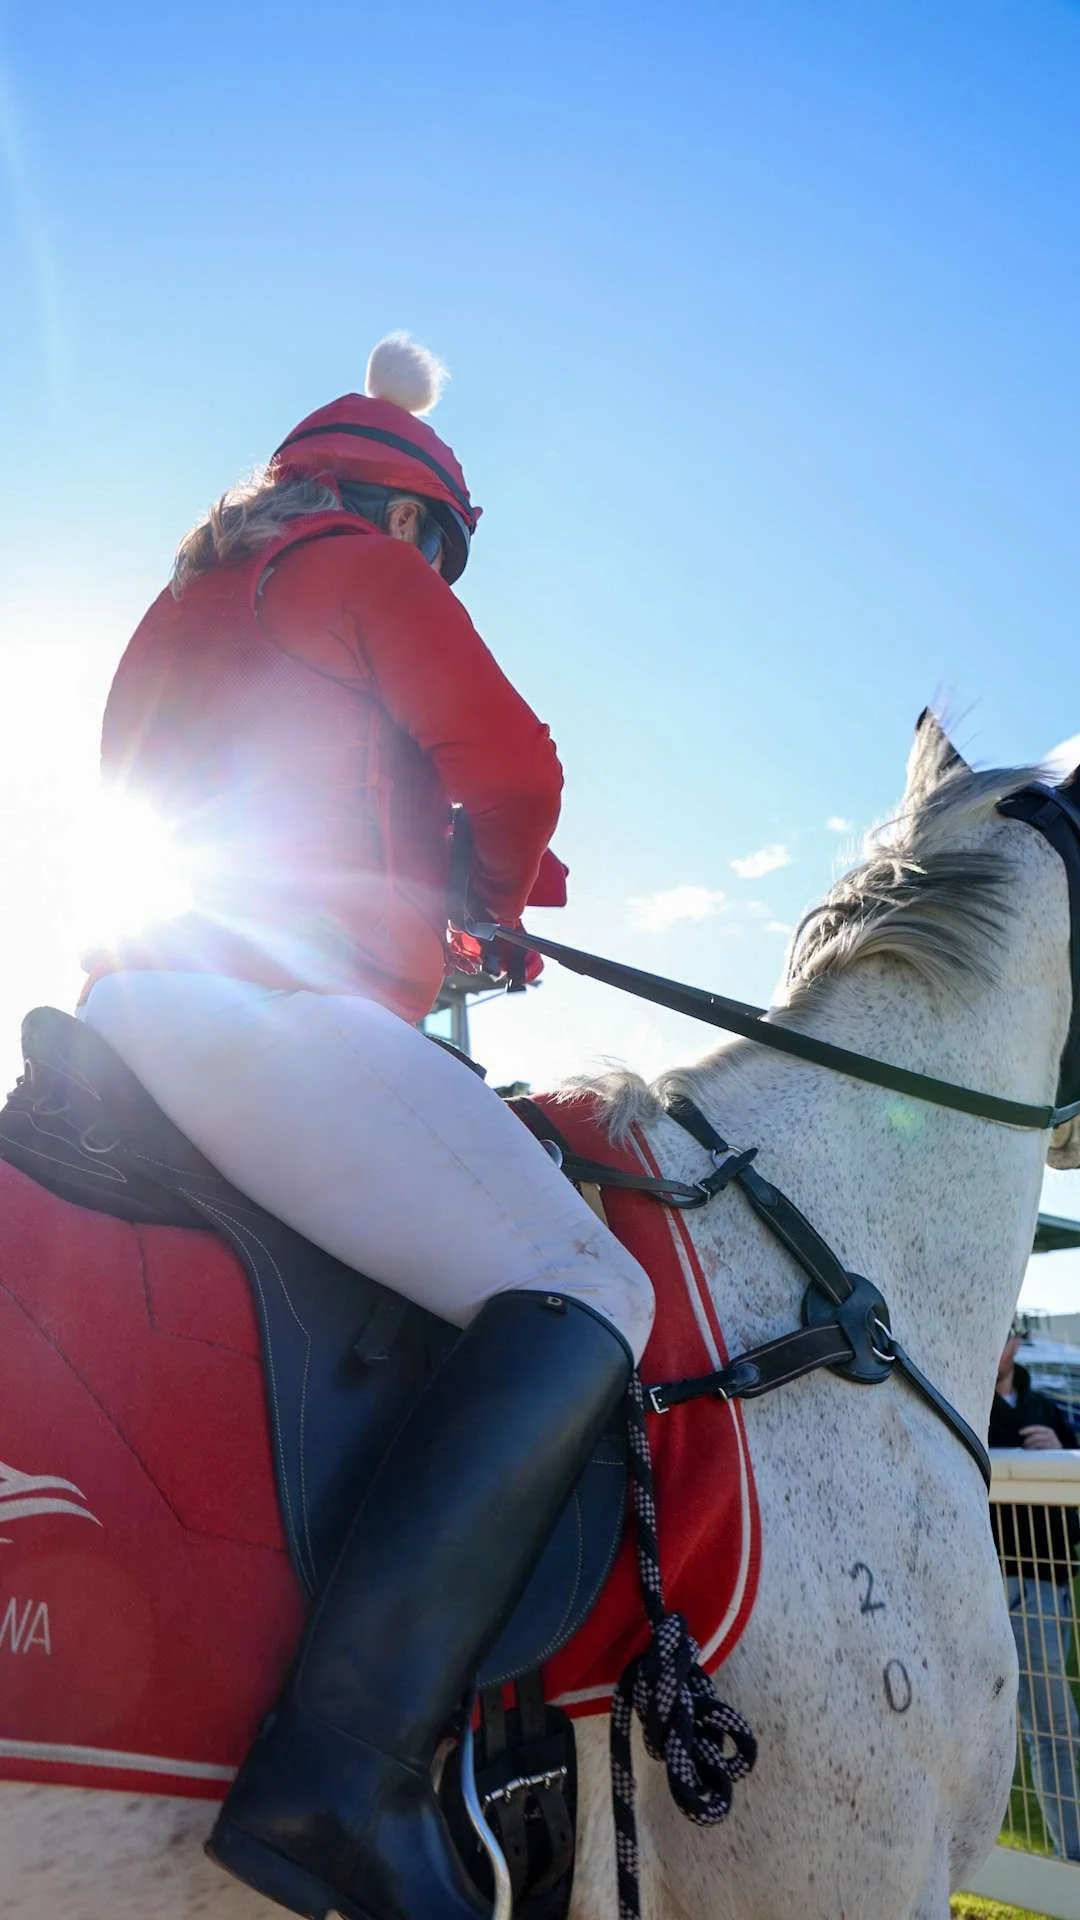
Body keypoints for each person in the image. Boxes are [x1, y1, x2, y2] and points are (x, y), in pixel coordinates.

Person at [80, 334, 655, 1920]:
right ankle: (351, 1772)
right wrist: (490, 879)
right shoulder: (361, 568)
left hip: (138, 1011)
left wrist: (465, 907)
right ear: (407, 517)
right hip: (266, 1013)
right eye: (447, 552)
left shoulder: (180, 600)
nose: (444, 579)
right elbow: (511, 762)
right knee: (594, 1286)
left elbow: (320, 792)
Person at [990, 1326, 1080, 1861]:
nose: (1002, 1345)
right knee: (1039, 1726)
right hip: (998, 1580)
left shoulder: (1043, 1403)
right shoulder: (964, 1399)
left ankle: (1071, 1852)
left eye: (1009, 1334)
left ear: (1017, 1343)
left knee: (1053, 1724)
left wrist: (1061, 1448)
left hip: (1050, 1582)